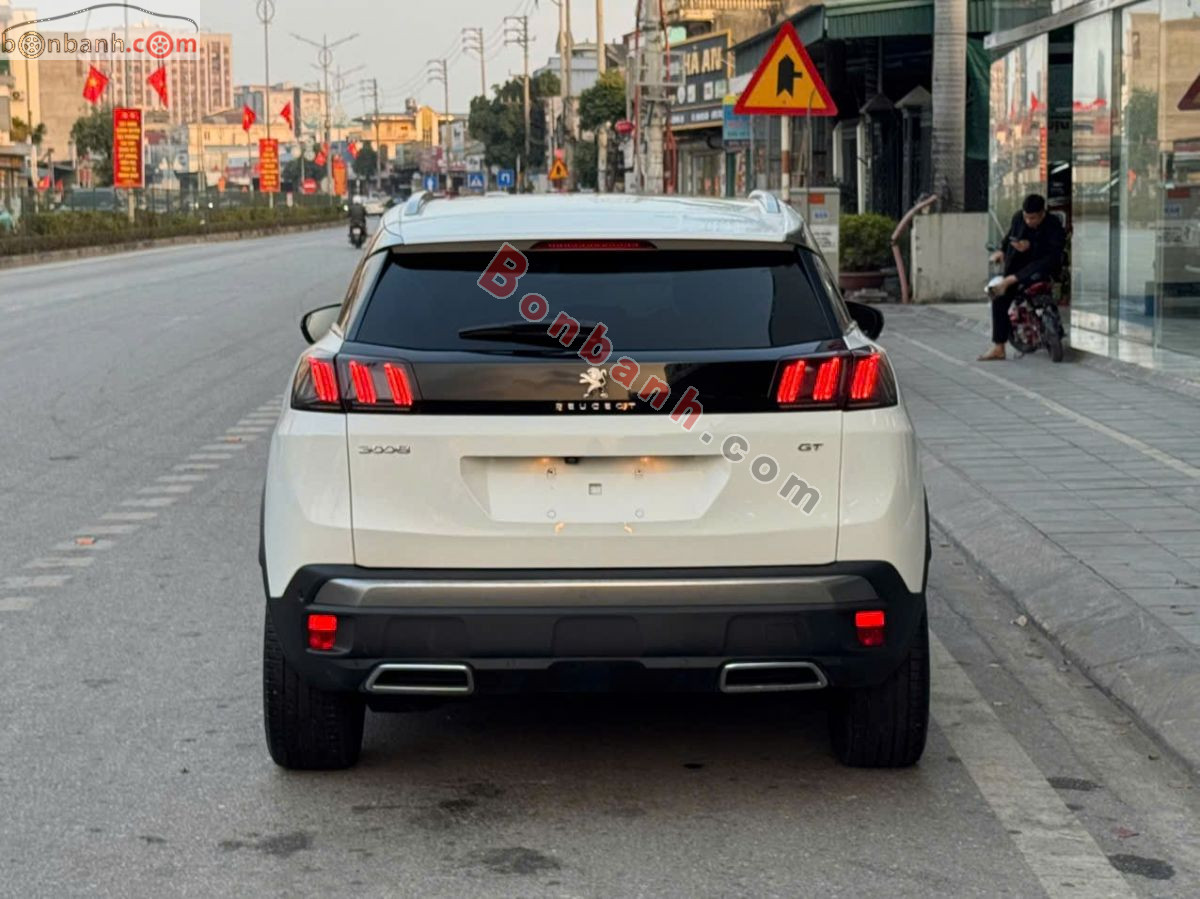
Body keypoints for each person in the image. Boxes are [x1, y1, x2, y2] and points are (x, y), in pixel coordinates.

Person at [978, 193, 1066, 361]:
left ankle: (1051, 326)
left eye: (1033, 218)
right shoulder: (1018, 218)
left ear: (1042, 214)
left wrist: (1031, 246)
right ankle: (999, 347)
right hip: (1018, 267)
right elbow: (1010, 237)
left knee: (1014, 281)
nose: (1028, 221)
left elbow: (1052, 254)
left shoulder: (1053, 224)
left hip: (1043, 268)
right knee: (999, 297)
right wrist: (1002, 251)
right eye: (1026, 217)